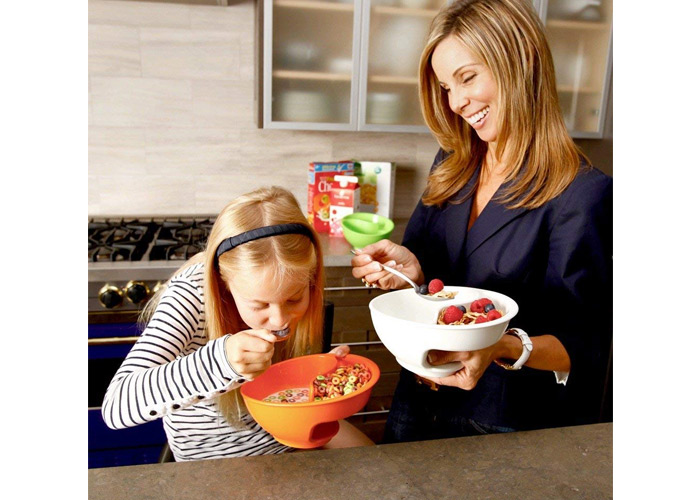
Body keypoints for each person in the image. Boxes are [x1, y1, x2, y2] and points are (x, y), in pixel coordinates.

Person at [352, 0, 612, 443]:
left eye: (467, 77)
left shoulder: (584, 194)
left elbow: (587, 349)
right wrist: (410, 273)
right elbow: (434, 286)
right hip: (418, 399)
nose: (456, 102)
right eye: (446, 86)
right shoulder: (452, 165)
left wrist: (503, 345)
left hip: (501, 424)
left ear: (523, 62)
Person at [102, 186, 374, 461]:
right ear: (224, 283)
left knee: (376, 467)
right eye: (259, 305)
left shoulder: (294, 274)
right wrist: (222, 362)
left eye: (294, 299)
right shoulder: (189, 296)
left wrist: (317, 374)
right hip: (217, 461)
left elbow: (275, 384)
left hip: (290, 432)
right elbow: (116, 406)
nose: (279, 319)